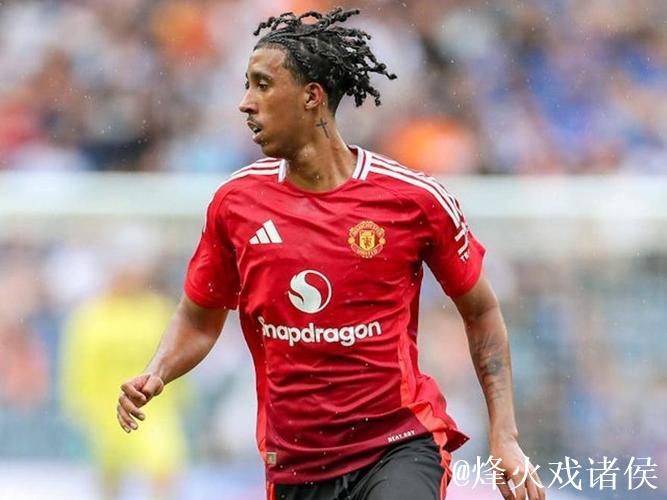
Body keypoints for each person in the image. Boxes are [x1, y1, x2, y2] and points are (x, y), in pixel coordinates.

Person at [117, 8, 545, 500]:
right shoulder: (235, 205)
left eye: (261, 85)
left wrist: (504, 436)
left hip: (397, 443)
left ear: (311, 96)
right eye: (246, 86)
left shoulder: (413, 199)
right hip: (296, 463)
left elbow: (482, 310)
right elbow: (198, 319)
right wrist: (156, 372)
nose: (245, 103)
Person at [65, 229, 188, 500]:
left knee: (163, 465)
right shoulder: (91, 316)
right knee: (110, 474)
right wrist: (82, 408)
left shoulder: (157, 311)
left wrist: (179, 399)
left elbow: (175, 358)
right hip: (104, 409)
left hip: (154, 409)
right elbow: (78, 369)